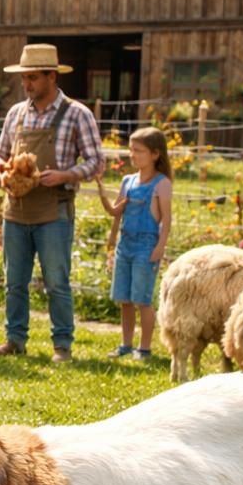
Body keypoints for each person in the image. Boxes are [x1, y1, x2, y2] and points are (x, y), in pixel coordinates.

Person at [0, 43, 104, 362]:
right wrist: (0, 173)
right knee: (14, 281)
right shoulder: (16, 113)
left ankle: (62, 345)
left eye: (33, 78)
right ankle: (15, 339)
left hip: (55, 210)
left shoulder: (76, 114)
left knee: (56, 281)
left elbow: (96, 161)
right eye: (24, 78)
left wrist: (66, 174)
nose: (26, 85)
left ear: (52, 77)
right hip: (16, 210)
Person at [96, 127, 174, 360]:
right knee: (125, 299)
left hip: (146, 246)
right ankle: (126, 344)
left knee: (142, 299)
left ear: (155, 154)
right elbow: (117, 212)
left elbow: (166, 220)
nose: (133, 155)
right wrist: (112, 238)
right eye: (131, 150)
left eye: (139, 151)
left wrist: (160, 247)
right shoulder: (127, 181)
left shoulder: (162, 184)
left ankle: (145, 347)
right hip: (125, 244)